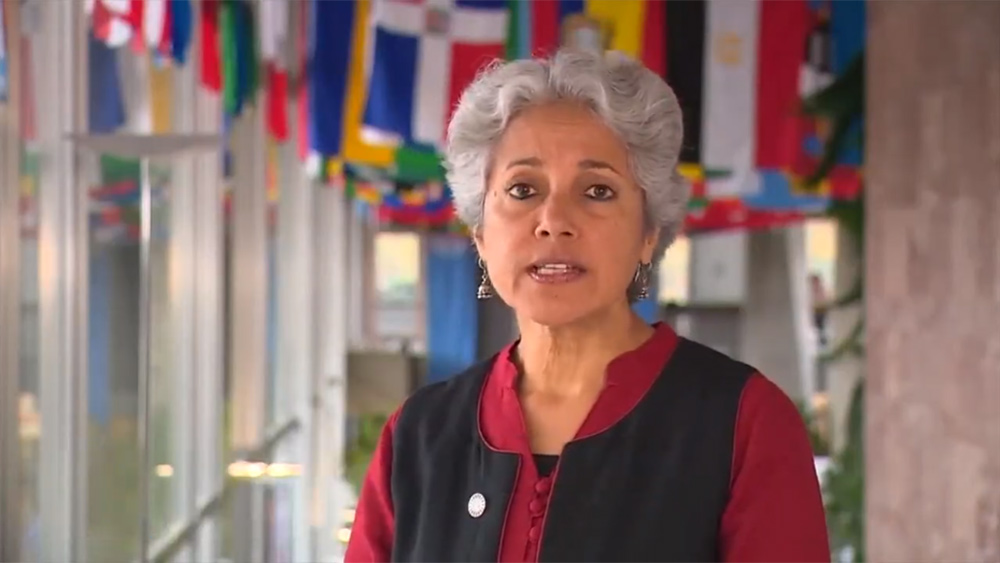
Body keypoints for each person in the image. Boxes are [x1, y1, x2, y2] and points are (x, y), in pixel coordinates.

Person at [346, 49, 830, 563]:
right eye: (522, 189)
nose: (554, 221)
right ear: (481, 234)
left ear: (648, 231)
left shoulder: (744, 425)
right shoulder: (417, 436)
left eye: (597, 191)